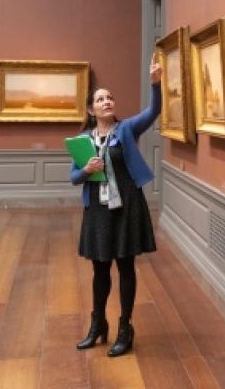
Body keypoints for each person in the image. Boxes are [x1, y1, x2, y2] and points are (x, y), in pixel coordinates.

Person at [71, 56, 162, 357]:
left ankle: (125, 327)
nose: (107, 101)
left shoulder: (126, 129)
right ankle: (98, 325)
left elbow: (153, 112)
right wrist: (86, 170)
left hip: (127, 206)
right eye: (100, 99)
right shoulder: (83, 140)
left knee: (125, 266)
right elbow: (73, 178)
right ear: (90, 109)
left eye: (110, 98)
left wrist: (155, 83)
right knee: (99, 270)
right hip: (97, 210)